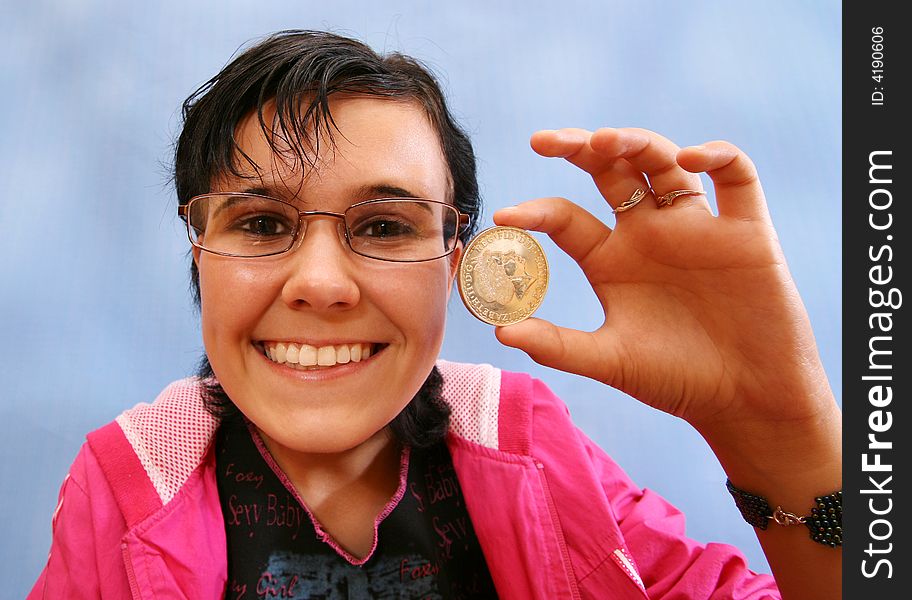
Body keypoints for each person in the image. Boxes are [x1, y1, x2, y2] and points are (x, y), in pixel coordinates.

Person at [29, 30, 841, 599]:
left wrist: (778, 430)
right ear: (199, 250)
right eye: (263, 223)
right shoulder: (126, 483)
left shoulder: (531, 448)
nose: (321, 284)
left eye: (384, 227)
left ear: (457, 265)